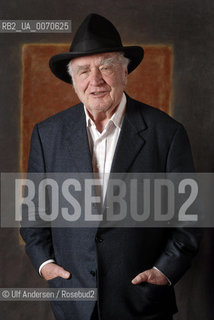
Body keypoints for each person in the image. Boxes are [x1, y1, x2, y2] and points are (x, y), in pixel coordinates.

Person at [20, 13, 201, 320]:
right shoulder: (46, 134)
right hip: (73, 304)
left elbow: (191, 219)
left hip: (143, 306)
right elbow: (33, 214)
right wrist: (44, 264)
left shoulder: (167, 133)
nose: (96, 81)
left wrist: (162, 272)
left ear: (124, 71)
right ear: (73, 80)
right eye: (84, 71)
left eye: (105, 66)